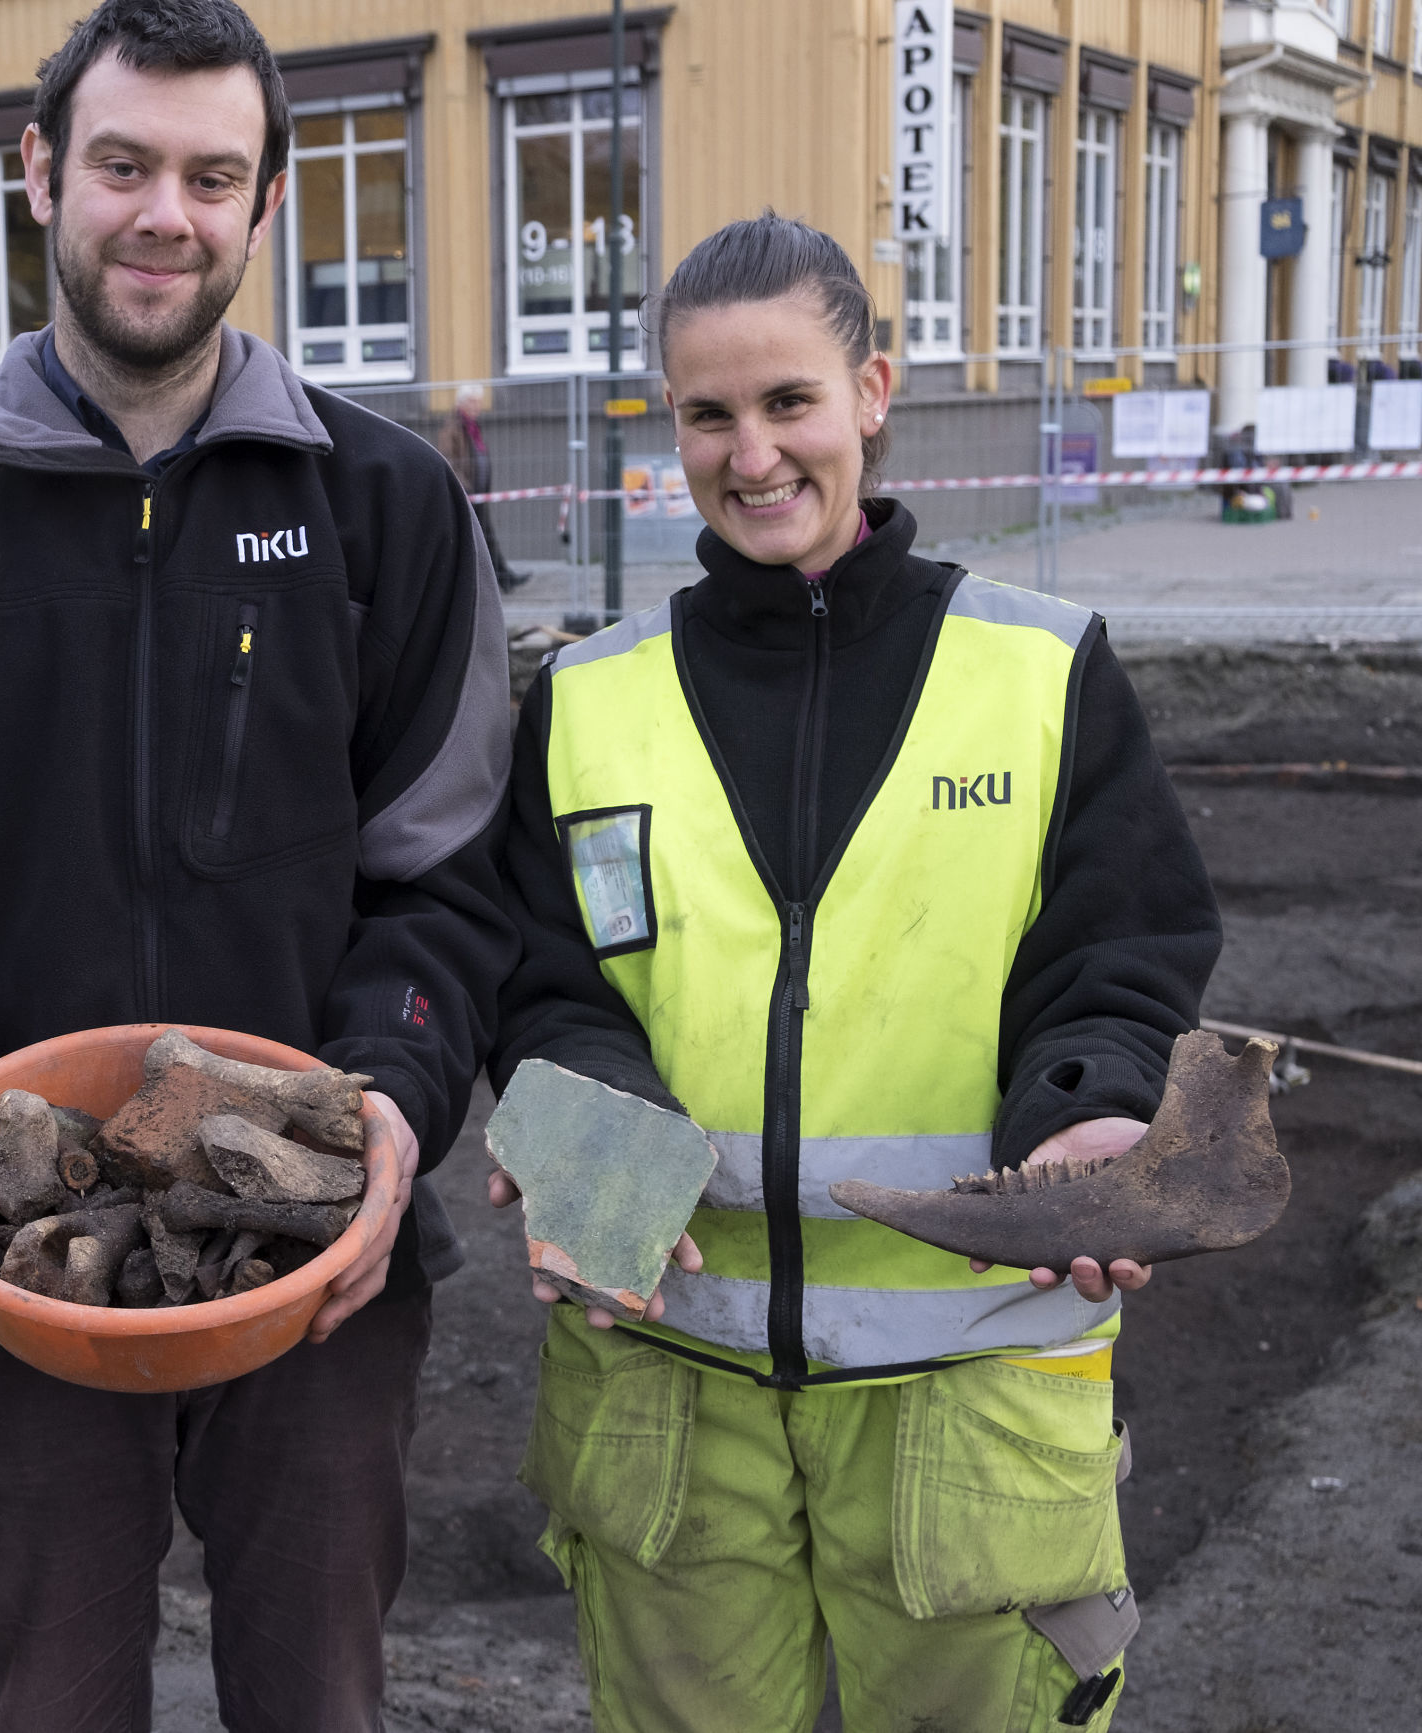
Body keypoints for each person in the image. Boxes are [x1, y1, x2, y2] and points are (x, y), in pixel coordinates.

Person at [0, 1, 513, 1724]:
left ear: (262, 209)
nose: (162, 210)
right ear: (38, 176)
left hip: (318, 1265)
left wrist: (388, 1093)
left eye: (209, 173)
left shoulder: (387, 511)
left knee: (316, 1694)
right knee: (56, 1693)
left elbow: (452, 876)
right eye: (122, 164)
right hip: (22, 1274)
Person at [489, 216, 1219, 1731]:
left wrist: (1084, 1104)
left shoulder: (1039, 669)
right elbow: (537, 977)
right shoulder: (585, 703)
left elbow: (1120, 945)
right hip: (668, 1386)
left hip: (973, 1396)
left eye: (788, 403)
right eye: (709, 414)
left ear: (872, 393)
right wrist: (591, 1133)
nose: (752, 454)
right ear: (668, 425)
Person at [437, 383, 521, 590]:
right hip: (468, 494)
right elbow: (449, 461)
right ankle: (498, 580)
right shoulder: (454, 428)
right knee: (478, 539)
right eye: (473, 402)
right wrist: (465, 489)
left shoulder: (473, 428)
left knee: (485, 537)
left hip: (479, 495)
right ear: (462, 403)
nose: (478, 406)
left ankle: (503, 579)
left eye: (479, 402)